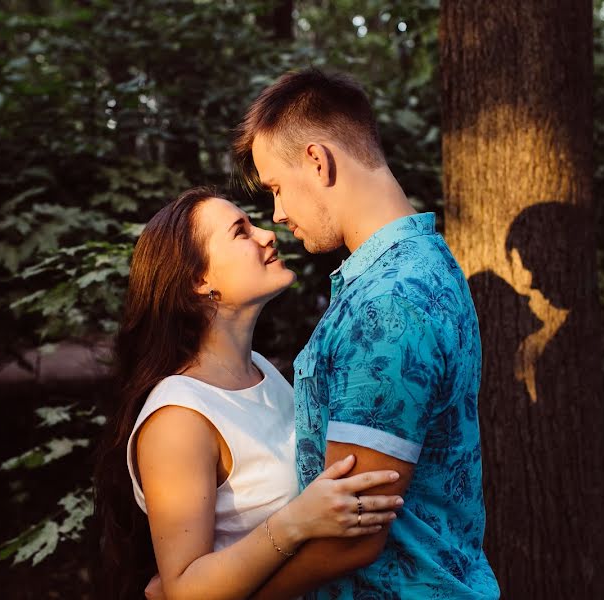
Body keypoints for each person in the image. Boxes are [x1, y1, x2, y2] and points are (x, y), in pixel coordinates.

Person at [228, 68, 502, 599]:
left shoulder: (388, 304)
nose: (278, 213)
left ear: (317, 160)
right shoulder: (427, 260)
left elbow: (353, 537)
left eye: (277, 188)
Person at [92, 186, 404, 600]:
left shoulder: (261, 371)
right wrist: (297, 521)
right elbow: (182, 590)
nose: (267, 234)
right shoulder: (178, 419)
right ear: (198, 280)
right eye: (240, 231)